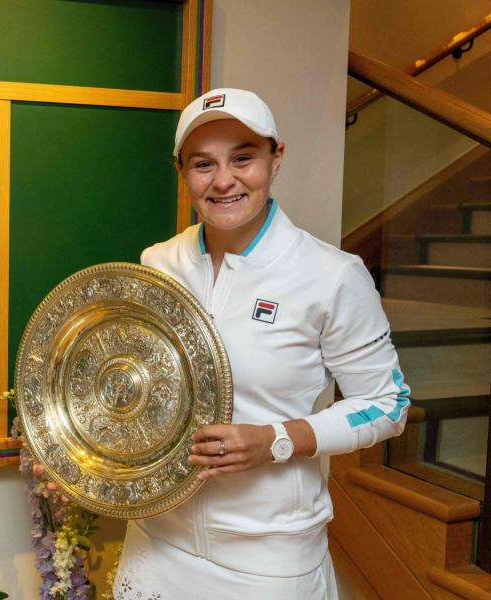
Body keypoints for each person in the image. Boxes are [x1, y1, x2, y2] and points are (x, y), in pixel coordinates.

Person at [112, 88, 410, 599]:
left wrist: (276, 439)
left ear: (276, 159)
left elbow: (388, 404)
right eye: (203, 163)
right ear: (181, 170)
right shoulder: (157, 263)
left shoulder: (332, 275)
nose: (223, 180)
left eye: (243, 158)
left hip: (268, 558)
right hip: (155, 542)